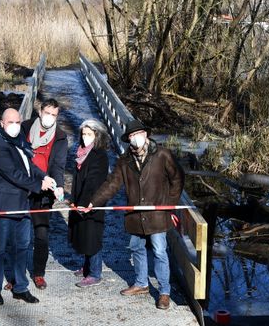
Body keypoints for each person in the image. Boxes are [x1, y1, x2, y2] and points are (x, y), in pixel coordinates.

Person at [86, 119, 184, 310]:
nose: (134, 139)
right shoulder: (125, 160)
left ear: (145, 135)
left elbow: (177, 178)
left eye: (137, 134)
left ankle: (164, 292)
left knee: (159, 251)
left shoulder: (162, 155)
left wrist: (169, 205)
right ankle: (141, 283)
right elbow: (112, 184)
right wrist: (93, 202)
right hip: (134, 215)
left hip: (157, 215)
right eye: (131, 136)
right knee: (136, 248)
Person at [0, 108, 56, 306]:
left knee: (22, 246)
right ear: (2, 124)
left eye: (17, 122)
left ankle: (20, 288)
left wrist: (43, 176)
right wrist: (38, 185)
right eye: (10, 122)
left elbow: (28, 165)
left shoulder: (19, 142)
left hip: (22, 204)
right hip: (3, 205)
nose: (15, 126)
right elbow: (13, 173)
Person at [21, 98, 68, 290]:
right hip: (22, 187)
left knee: (41, 234)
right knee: (19, 234)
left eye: (54, 115)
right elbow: (20, 157)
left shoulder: (60, 136)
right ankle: (16, 273)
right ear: (40, 112)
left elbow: (58, 164)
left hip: (44, 191)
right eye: (47, 113)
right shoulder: (24, 128)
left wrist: (60, 185)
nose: (50, 117)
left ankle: (38, 273)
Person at [69, 119, 109, 287]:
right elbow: (78, 179)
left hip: (92, 202)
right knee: (84, 234)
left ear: (97, 136)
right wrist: (74, 200)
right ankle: (87, 266)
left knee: (92, 237)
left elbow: (93, 181)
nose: (85, 137)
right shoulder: (82, 152)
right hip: (80, 201)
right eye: (84, 134)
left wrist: (85, 202)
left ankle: (95, 273)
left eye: (89, 134)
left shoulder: (99, 155)